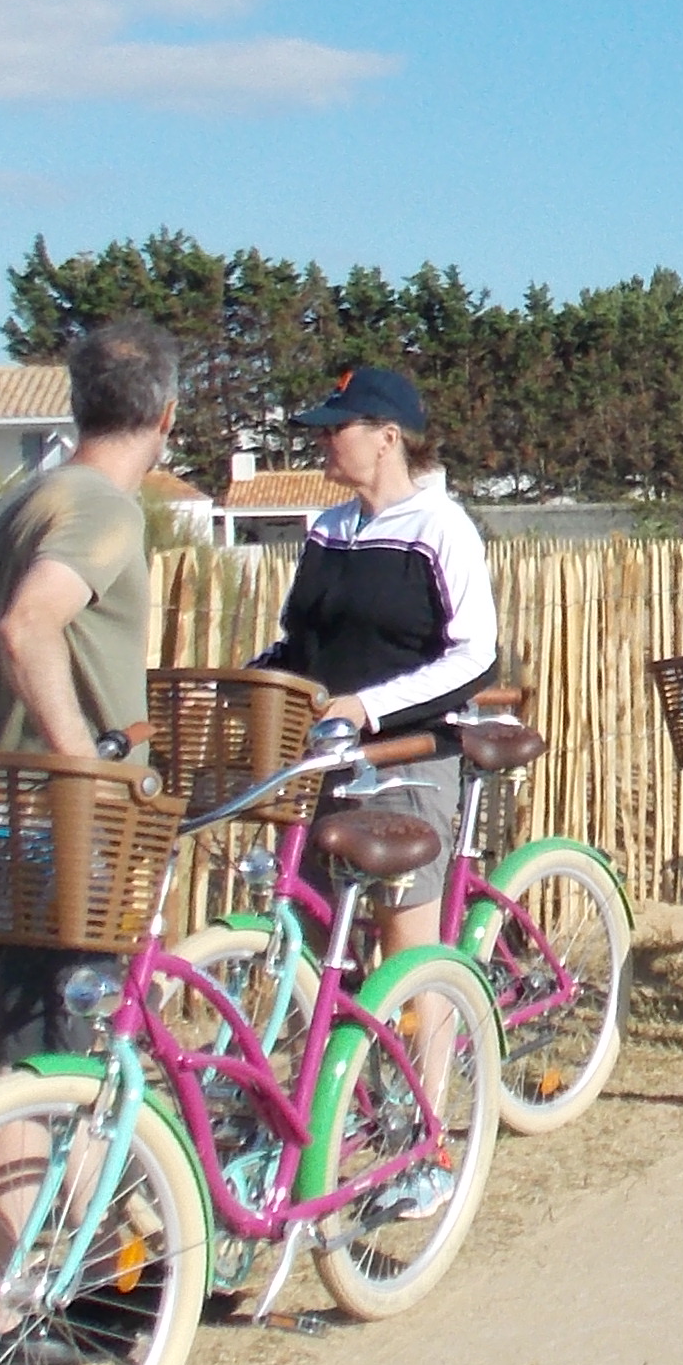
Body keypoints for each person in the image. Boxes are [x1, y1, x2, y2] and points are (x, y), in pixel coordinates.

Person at [0, 320, 180, 1072]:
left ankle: (21, 1198)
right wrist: (83, 764)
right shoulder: (103, 506)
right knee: (86, 1061)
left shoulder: (21, 503)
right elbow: (27, 624)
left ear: (78, 404)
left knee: (21, 1060)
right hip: (70, 819)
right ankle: (88, 1193)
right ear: (166, 416)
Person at [251, 360, 495, 1025]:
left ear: (388, 437)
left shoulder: (442, 529)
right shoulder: (327, 529)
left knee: (405, 947)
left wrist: (369, 707)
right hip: (324, 756)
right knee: (308, 926)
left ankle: (433, 1112)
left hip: (406, 755)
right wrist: (252, 681)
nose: (324, 441)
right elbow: (299, 643)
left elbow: (476, 656)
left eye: (339, 428)